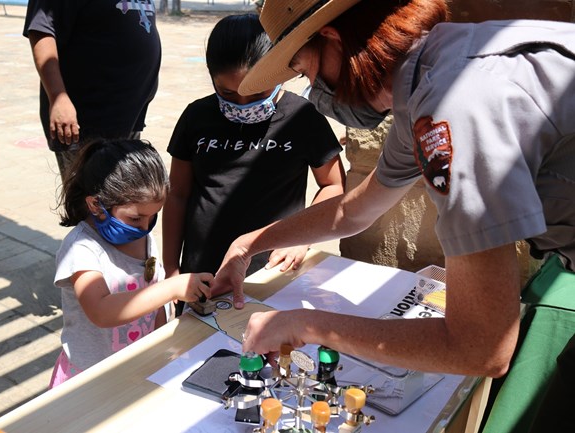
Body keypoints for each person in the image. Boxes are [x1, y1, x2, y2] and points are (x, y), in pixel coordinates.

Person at [212, 0, 575, 385]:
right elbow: (355, 211)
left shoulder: (452, 104)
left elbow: (481, 347)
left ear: (333, 38)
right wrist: (251, 243)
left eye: (306, 71)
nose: (316, 92)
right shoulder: (429, 75)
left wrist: (306, 324)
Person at [162, 13, 346, 309]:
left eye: (257, 91)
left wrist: (302, 239)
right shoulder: (195, 117)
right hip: (203, 274)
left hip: (274, 272)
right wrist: (171, 270)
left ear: (277, 73)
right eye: (228, 93)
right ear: (211, 78)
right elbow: (178, 195)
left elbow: (333, 185)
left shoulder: (303, 117)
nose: (243, 104)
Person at [50, 138, 213, 387]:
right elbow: (102, 312)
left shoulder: (143, 237)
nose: (145, 227)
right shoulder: (82, 249)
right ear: (96, 205)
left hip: (136, 367)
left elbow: (155, 299)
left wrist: (160, 347)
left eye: (153, 216)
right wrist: (171, 288)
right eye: (136, 218)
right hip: (90, 379)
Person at [23, 0, 161, 182]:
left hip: (128, 113)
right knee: (91, 201)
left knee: (124, 198)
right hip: (88, 120)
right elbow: (42, 31)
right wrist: (58, 97)